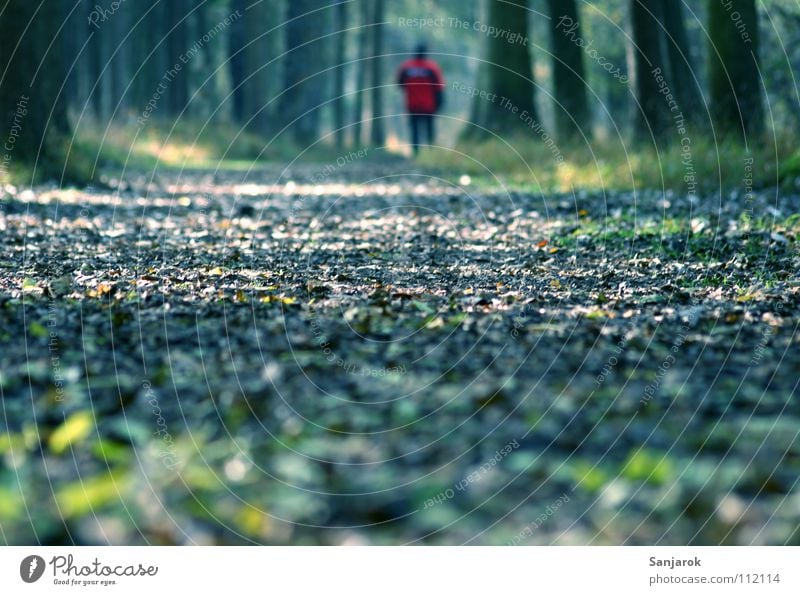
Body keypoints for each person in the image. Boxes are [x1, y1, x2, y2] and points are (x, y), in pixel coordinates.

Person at [396, 43, 445, 155]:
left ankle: (416, 152)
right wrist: (440, 103)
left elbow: (399, 84)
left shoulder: (406, 67)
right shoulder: (432, 67)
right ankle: (431, 152)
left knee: (414, 129)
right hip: (429, 105)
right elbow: (439, 87)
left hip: (412, 104)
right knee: (429, 128)